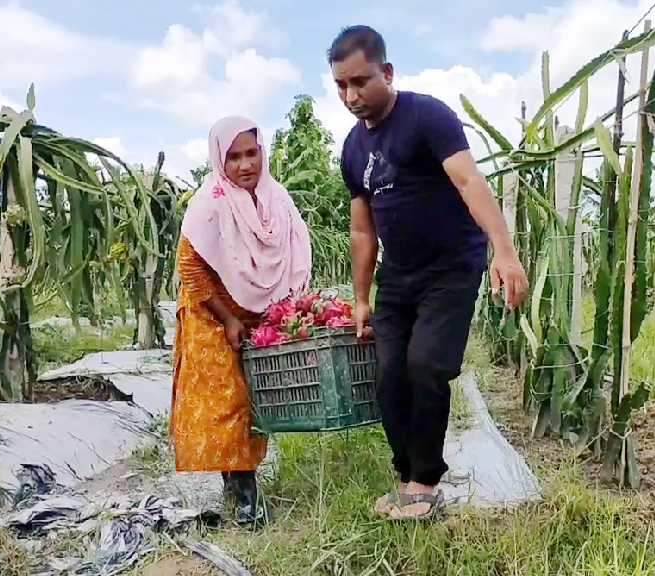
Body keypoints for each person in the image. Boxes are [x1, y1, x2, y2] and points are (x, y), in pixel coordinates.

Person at [329, 25, 529, 521]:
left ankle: (424, 486)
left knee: (427, 367)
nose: (352, 96)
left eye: (360, 82)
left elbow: (468, 179)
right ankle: (407, 482)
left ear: (387, 72)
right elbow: (362, 229)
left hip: (451, 268)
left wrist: (503, 251)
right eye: (341, 86)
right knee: (389, 376)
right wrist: (360, 297)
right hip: (398, 275)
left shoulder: (427, 117)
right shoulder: (353, 149)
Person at [172, 116, 312, 529]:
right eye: (233, 157)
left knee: (253, 402)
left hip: (255, 317)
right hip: (210, 314)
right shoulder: (209, 204)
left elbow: (288, 254)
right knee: (228, 401)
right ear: (219, 160)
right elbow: (191, 267)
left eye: (252, 153)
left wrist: (279, 313)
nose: (245, 164)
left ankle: (237, 489)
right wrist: (229, 318)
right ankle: (245, 499)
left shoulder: (277, 200)